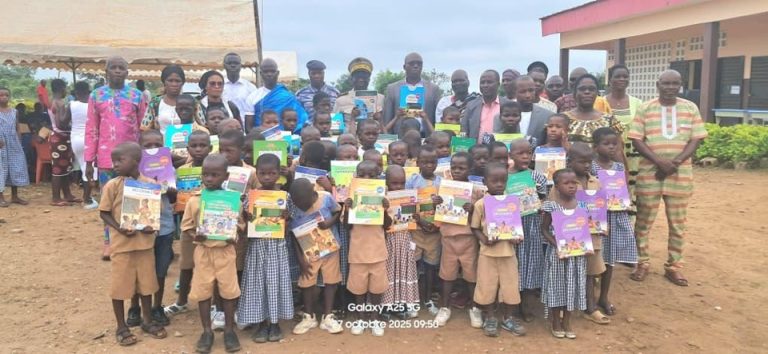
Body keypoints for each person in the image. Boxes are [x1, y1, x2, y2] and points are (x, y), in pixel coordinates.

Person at [628, 69, 708, 287]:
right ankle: (642, 262)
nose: (671, 87)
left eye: (675, 83)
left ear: (680, 85)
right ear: (658, 84)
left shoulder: (690, 107)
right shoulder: (646, 108)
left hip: (680, 176)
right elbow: (636, 139)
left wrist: (675, 163)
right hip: (650, 174)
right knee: (643, 222)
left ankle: (673, 267)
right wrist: (660, 162)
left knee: (678, 224)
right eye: (666, 83)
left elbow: (696, 139)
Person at [98, 142, 166, 346]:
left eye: (120, 160)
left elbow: (153, 216)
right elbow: (104, 212)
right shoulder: (113, 185)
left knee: (146, 286)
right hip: (122, 247)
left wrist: (150, 226)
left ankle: (147, 320)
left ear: (136, 161)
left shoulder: (148, 184)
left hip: (145, 246)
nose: (115, 165)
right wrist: (118, 228)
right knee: (120, 287)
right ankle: (121, 326)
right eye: (113, 161)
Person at [182, 154, 243, 353]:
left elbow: (239, 226)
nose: (209, 179)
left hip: (225, 251)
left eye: (214, 175)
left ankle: (228, 330)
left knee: (229, 290)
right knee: (203, 291)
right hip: (204, 251)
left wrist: (232, 235)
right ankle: (207, 331)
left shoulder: (233, 201)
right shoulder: (195, 201)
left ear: (225, 177)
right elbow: (187, 226)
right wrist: (196, 236)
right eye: (206, 174)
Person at [238, 154, 294, 343]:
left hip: (277, 249)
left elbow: (288, 228)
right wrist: (248, 217)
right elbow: (244, 227)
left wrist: (286, 217)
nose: (267, 177)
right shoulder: (250, 197)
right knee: (257, 285)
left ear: (279, 174)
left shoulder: (285, 196)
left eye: (272, 173)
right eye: (263, 173)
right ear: (257, 172)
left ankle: (275, 322)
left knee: (276, 284)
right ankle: (261, 323)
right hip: (256, 249)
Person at [470, 162, 526, 337]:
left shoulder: (512, 202)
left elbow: (516, 225)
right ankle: (490, 317)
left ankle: (508, 318)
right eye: (495, 181)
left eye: (503, 181)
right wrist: (485, 240)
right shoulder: (481, 204)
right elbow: (474, 228)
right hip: (488, 254)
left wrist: (517, 237)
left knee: (510, 287)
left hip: (508, 253)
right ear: (485, 182)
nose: (499, 184)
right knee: (486, 287)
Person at [164, 131, 211, 318]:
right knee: (186, 265)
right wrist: (173, 193)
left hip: (212, 226)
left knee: (211, 266)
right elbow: (177, 199)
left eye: (203, 145)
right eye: (194, 146)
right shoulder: (183, 170)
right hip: (189, 225)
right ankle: (182, 301)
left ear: (211, 147)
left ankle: (215, 306)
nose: (198, 149)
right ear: (188, 148)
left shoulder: (218, 168)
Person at [591, 127, 638, 316]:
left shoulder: (618, 168)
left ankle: (604, 296)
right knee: (594, 258)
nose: (611, 148)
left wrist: (624, 201)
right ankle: (589, 297)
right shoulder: (591, 167)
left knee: (609, 260)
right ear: (595, 147)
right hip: (596, 218)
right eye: (606, 144)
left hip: (615, 216)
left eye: (614, 144)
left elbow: (622, 189)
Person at [288, 178, 345, 335]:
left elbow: (338, 210)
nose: (300, 206)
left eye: (303, 202)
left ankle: (328, 317)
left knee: (331, 281)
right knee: (307, 283)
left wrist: (329, 223)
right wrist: (300, 259)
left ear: (313, 193)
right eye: (296, 202)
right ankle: (309, 317)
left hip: (331, 248)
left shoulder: (326, 197)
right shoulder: (294, 207)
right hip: (309, 252)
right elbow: (293, 234)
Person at [132, 130, 177, 328]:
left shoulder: (169, 169)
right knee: (139, 269)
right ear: (139, 148)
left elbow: (173, 200)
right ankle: (134, 307)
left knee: (161, 268)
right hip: (140, 229)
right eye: (147, 146)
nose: (152, 150)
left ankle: (157, 306)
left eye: (157, 145)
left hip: (164, 226)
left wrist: (173, 192)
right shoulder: (132, 172)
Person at [433, 152, 482, 328]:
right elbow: (438, 212)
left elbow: (481, 217)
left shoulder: (475, 191)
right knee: (447, 275)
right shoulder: (444, 188)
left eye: (462, 168)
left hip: (469, 240)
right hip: (448, 238)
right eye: (454, 167)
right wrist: (436, 203)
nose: (457, 171)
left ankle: (474, 307)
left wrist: (472, 210)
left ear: (470, 168)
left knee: (471, 275)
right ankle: (445, 307)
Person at [345, 160, 391, 336]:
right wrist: (349, 209)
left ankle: (375, 318)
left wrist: (385, 209)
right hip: (357, 253)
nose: (366, 178)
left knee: (377, 289)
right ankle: (361, 318)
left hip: (378, 252)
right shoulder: (352, 195)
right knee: (358, 289)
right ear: (355, 176)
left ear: (378, 176)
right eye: (362, 174)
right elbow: (346, 226)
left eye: (371, 175)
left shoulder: (383, 195)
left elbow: (387, 225)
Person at [540, 168, 588, 340]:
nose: (571, 186)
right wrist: (557, 244)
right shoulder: (552, 206)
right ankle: (555, 321)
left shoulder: (582, 205)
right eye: (566, 183)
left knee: (572, 287)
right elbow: (544, 230)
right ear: (557, 186)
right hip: (557, 255)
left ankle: (567, 321)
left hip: (577, 257)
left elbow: (585, 229)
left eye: (574, 183)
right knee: (557, 287)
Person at [565, 143, 610, 325]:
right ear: (570, 161)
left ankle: (590, 308)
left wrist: (604, 225)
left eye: (589, 162)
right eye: (581, 162)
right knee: (568, 272)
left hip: (592, 235)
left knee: (591, 273)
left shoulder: (595, 182)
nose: (586, 166)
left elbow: (600, 208)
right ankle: (565, 308)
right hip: (570, 235)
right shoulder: (563, 182)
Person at [507, 138, 548, 322]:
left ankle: (527, 305)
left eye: (528, 153)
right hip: (512, 228)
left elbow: (544, 200)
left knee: (530, 265)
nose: (525, 156)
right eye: (520, 153)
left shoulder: (538, 177)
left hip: (532, 228)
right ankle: (512, 304)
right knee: (513, 266)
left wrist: (540, 204)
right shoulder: (504, 177)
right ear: (510, 156)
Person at [405, 145, 442, 315]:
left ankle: (427, 299)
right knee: (413, 267)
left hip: (434, 233)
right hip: (416, 232)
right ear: (418, 162)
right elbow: (406, 204)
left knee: (430, 268)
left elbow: (446, 208)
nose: (429, 165)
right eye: (425, 162)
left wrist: (440, 203)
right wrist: (420, 222)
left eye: (433, 162)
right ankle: (412, 300)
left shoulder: (441, 183)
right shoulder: (412, 180)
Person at [604, 64, 644, 213]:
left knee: (631, 184)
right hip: (608, 152)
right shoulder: (601, 102)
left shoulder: (638, 103)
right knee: (610, 185)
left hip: (633, 153)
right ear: (610, 80)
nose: (622, 79)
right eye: (617, 76)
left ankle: (629, 222)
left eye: (625, 76)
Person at [381, 165, 420, 315]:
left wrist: (415, 216)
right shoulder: (382, 198)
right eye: (394, 183)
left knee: (403, 270)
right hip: (388, 240)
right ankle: (386, 305)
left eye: (401, 183)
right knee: (388, 271)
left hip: (403, 239)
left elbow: (411, 219)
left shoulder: (408, 196)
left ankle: (402, 304)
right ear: (386, 183)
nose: (398, 187)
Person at [383, 53, 441, 135]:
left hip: (426, 138)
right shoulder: (392, 89)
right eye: (411, 63)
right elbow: (387, 118)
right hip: (400, 138)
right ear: (404, 67)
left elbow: (438, 118)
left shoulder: (433, 89)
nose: (416, 66)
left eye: (419, 64)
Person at [246, 58, 308, 133]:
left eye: (272, 71)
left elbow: (301, 119)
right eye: (266, 71)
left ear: (277, 73)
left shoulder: (288, 97)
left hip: (286, 140)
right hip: (261, 141)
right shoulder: (253, 97)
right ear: (260, 73)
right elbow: (248, 127)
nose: (269, 74)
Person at [141, 64, 204, 135]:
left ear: (182, 82)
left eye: (177, 81)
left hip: (188, 144)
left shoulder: (192, 102)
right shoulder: (155, 103)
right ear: (164, 82)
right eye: (170, 81)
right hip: (162, 144)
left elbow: (203, 126)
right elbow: (145, 128)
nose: (174, 84)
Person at [564, 74, 624, 149]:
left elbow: (617, 151)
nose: (587, 92)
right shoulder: (563, 120)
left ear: (597, 93)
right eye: (582, 89)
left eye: (592, 89)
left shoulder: (610, 121)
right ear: (575, 93)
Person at [333, 57, 385, 134]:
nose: (361, 80)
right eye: (357, 77)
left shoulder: (380, 98)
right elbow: (335, 128)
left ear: (369, 79)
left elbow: (385, 124)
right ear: (351, 79)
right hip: (349, 140)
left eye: (364, 77)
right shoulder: (341, 100)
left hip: (373, 139)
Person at [48, 79, 79, 206]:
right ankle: (56, 198)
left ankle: (67, 194)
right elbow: (61, 123)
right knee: (58, 169)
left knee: (65, 168)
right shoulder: (59, 103)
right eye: (65, 88)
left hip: (60, 138)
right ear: (62, 88)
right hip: (60, 137)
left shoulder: (53, 101)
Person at [69, 81, 97, 208]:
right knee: (89, 169)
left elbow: (62, 121)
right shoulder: (93, 105)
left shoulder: (71, 105)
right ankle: (87, 199)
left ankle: (88, 197)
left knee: (83, 166)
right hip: (90, 138)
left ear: (76, 92)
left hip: (75, 139)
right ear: (89, 91)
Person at [0, 87, 30, 207]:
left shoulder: (14, 111)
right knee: (1, 169)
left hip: (13, 143)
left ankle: (15, 196)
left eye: (6, 95)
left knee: (15, 167)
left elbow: (17, 127)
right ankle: (1, 197)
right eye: (1, 95)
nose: (4, 97)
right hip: (1, 144)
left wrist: (19, 140)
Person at [461, 70, 508, 140]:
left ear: (498, 84)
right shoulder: (471, 106)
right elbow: (464, 130)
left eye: (489, 82)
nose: (485, 85)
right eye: (482, 83)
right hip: (475, 149)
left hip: (501, 149)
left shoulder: (507, 104)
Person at [512, 76, 553, 147]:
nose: (528, 95)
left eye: (531, 90)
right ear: (515, 93)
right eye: (523, 92)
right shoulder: (502, 116)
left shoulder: (548, 116)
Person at [222, 53, 257, 117]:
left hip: (244, 126)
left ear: (241, 65)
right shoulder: (218, 86)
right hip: (224, 125)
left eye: (236, 63)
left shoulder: (251, 88)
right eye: (229, 63)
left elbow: (255, 110)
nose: (233, 65)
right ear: (224, 65)